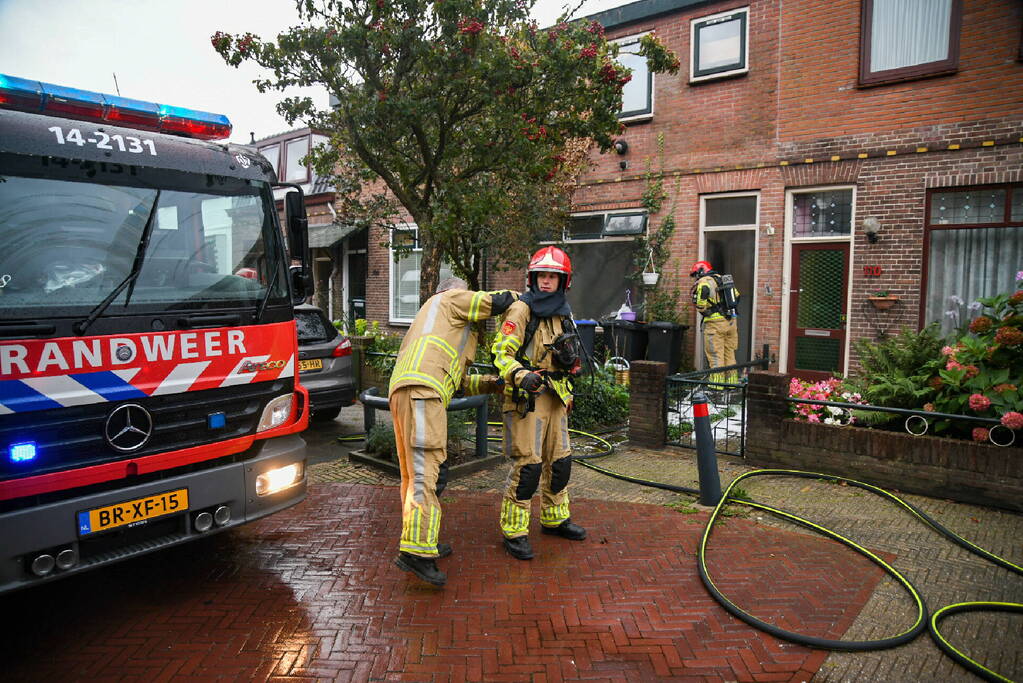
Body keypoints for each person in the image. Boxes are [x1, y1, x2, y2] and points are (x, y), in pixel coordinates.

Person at [389, 277, 516, 586]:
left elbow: (458, 384)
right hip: (423, 392)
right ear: (454, 291)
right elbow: (494, 301)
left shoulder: (438, 326)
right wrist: (524, 297)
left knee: (416, 475)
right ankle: (417, 553)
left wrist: (492, 384)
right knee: (425, 473)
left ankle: (422, 540)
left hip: (411, 391)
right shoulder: (448, 300)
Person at [491, 246, 586, 561]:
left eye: (553, 277)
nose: (546, 282)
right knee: (529, 467)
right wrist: (520, 375)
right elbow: (500, 355)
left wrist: (571, 363)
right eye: (542, 276)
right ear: (533, 278)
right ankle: (515, 532)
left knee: (560, 463)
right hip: (527, 400)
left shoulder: (564, 312)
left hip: (557, 397)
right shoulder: (521, 310)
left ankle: (555, 519)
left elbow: (568, 347)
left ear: (563, 281)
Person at [689, 260, 740, 391]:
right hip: (731, 322)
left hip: (714, 325)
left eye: (696, 274)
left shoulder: (704, 283)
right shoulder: (723, 279)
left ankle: (716, 387)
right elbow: (737, 296)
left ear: (701, 271)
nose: (696, 277)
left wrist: (706, 310)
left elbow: (700, 305)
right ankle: (732, 384)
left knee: (715, 355)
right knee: (729, 354)